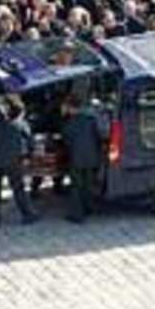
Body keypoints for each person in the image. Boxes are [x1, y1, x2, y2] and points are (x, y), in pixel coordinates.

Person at [0, 96, 40, 226]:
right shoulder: (21, 124)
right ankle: (27, 214)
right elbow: (30, 143)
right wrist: (29, 156)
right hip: (14, 161)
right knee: (18, 188)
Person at [61, 94, 109, 223]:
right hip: (93, 157)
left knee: (76, 187)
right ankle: (89, 208)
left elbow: (66, 142)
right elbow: (100, 136)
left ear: (71, 107)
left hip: (76, 159)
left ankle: (77, 215)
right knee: (88, 184)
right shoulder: (91, 119)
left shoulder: (69, 123)